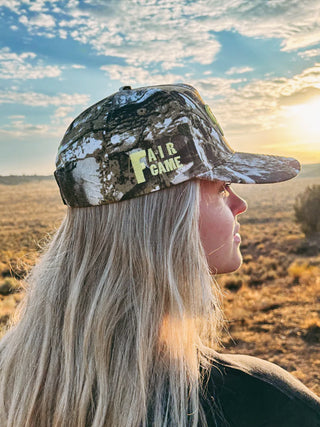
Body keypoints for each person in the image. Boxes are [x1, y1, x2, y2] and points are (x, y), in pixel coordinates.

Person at [0, 83, 319, 427]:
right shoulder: (265, 405)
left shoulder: (12, 377)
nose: (240, 204)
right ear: (169, 218)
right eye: (222, 188)